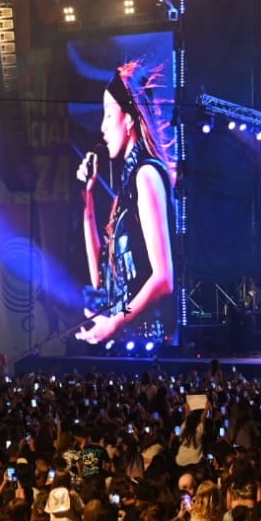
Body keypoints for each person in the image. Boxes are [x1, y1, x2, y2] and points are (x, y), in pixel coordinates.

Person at [76, 61, 176, 346]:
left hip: (151, 348)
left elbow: (163, 278)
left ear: (129, 119)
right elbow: (99, 278)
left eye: (109, 115)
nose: (102, 127)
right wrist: (88, 200)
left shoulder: (146, 175)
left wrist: (116, 321)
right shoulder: (128, 186)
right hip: (127, 345)